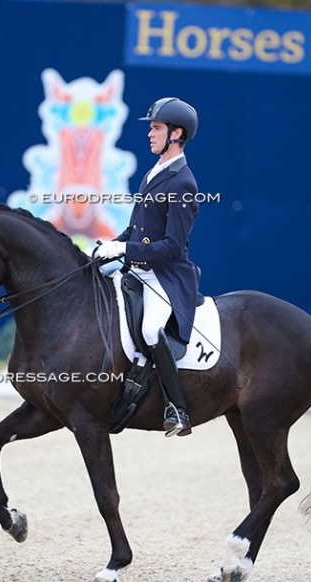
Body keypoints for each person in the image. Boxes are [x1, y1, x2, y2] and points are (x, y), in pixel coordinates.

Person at [95, 97, 200, 437]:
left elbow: (171, 247)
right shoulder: (155, 172)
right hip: (137, 270)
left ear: (176, 133)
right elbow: (136, 230)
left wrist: (123, 247)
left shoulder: (183, 183)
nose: (150, 134)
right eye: (152, 128)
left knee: (153, 329)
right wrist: (106, 246)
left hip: (166, 277)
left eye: (156, 128)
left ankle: (177, 409)